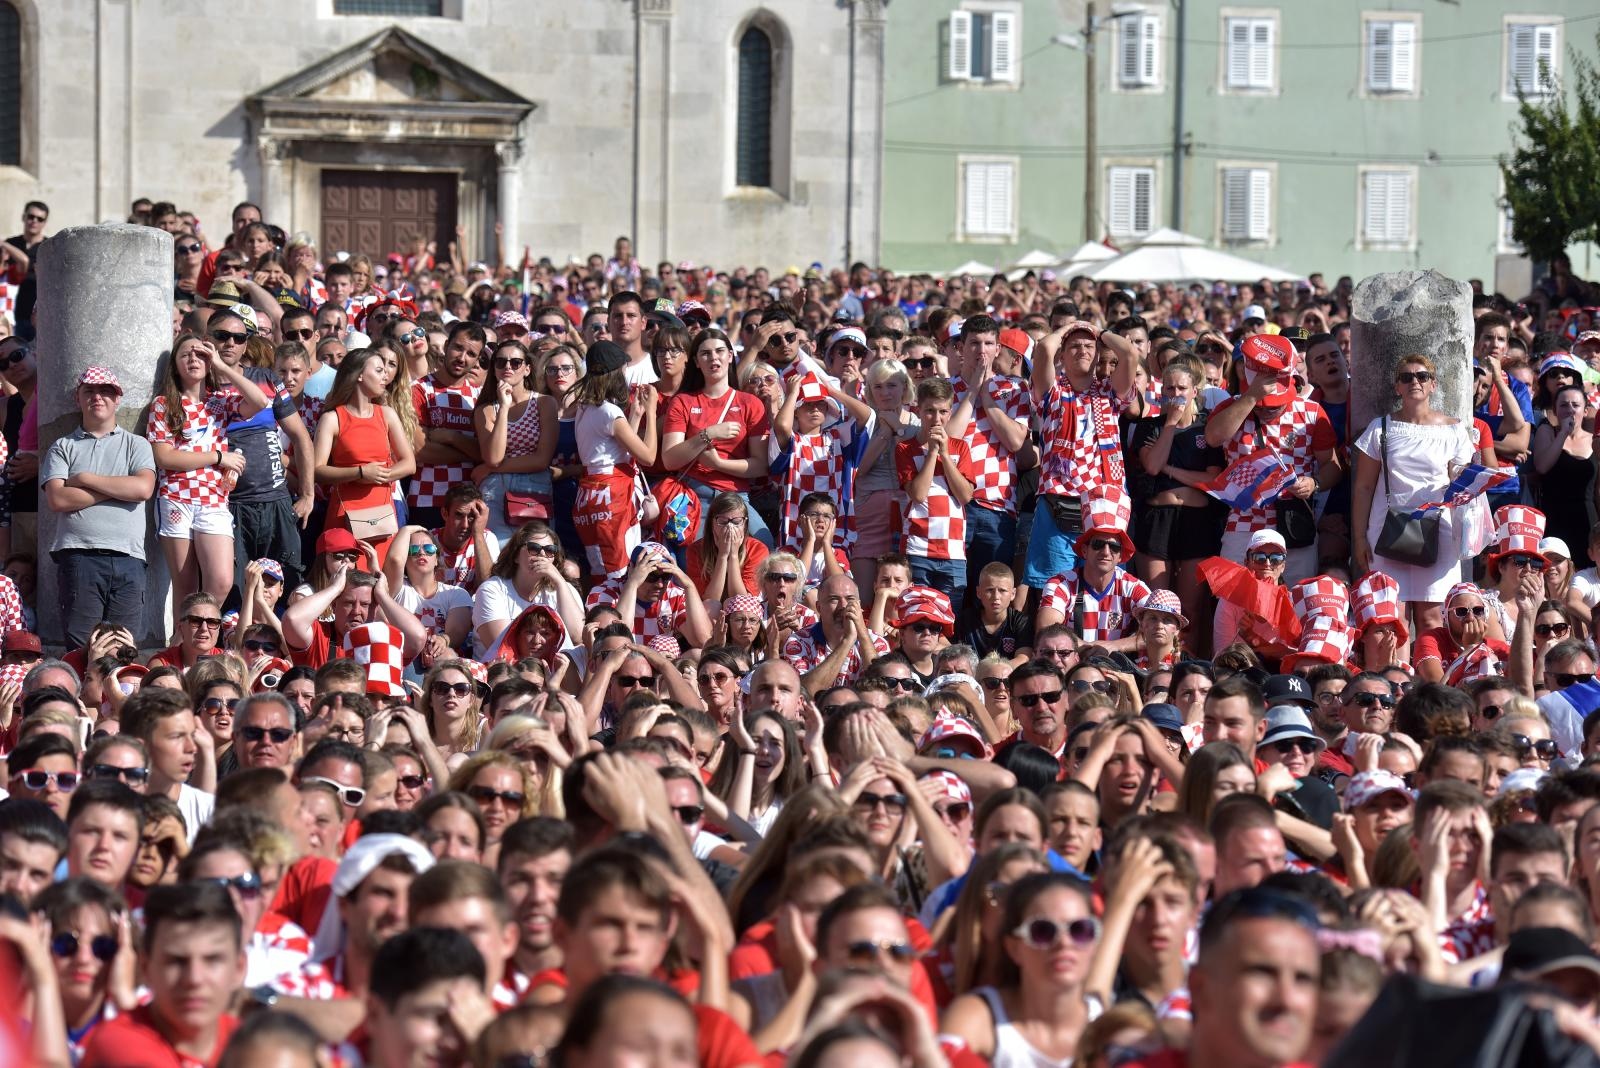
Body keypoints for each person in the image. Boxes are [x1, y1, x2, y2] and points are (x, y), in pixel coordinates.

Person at [146, 333, 270, 617]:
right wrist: (217, 457)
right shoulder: (165, 404)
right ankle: (182, 649)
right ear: (175, 365)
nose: (193, 359)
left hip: (214, 500)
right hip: (177, 497)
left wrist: (222, 366)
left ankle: (196, 635)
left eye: (200, 354)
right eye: (185, 354)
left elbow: (261, 401)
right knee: (185, 585)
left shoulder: (219, 401)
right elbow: (164, 457)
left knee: (222, 580)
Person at [1351, 354, 1477, 634]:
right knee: (1391, 621)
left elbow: (1461, 480)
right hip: (1386, 530)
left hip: (1438, 529)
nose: (1414, 382)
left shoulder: (1454, 430)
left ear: (1433, 385)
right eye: (1406, 377)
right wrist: (1359, 537)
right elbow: (1363, 487)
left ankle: (1430, 677)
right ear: (1397, 387)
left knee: (1433, 619)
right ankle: (1395, 678)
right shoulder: (1380, 427)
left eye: (1422, 376)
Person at [42, 367, 157, 650]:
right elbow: (58, 500)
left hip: (129, 558)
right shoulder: (62, 447)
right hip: (79, 556)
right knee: (82, 649)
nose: (98, 397)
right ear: (77, 398)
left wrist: (84, 480)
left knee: (124, 649)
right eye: (89, 391)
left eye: (106, 391)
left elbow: (142, 489)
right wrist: (118, 491)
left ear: (117, 399)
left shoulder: (137, 444)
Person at [940, 872, 1102, 1065]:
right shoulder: (981, 1016)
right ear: (1013, 947)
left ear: (1095, 942)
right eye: (1042, 931)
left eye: (1079, 930)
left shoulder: (1108, 1026)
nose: (1064, 943)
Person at [79, 883, 246, 1068]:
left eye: (212, 960)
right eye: (177, 961)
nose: (194, 979)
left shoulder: (250, 1042)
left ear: (239, 968)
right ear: (145, 967)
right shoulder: (118, 1044)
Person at [314, 345, 417, 567]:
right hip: (344, 512)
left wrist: (379, 474)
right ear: (360, 374)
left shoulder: (386, 414)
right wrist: (359, 472)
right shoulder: (332, 418)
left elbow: (409, 464)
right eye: (378, 370)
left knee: (379, 579)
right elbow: (317, 470)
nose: (385, 376)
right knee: (344, 579)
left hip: (382, 515)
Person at [474, 338, 558, 543]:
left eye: (515, 363)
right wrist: (503, 407)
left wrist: (491, 469)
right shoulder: (486, 409)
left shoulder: (544, 403)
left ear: (527, 369)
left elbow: (541, 460)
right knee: (497, 556)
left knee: (535, 553)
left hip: (534, 487)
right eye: (501, 362)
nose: (508, 367)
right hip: (495, 488)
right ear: (493, 369)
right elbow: (493, 457)